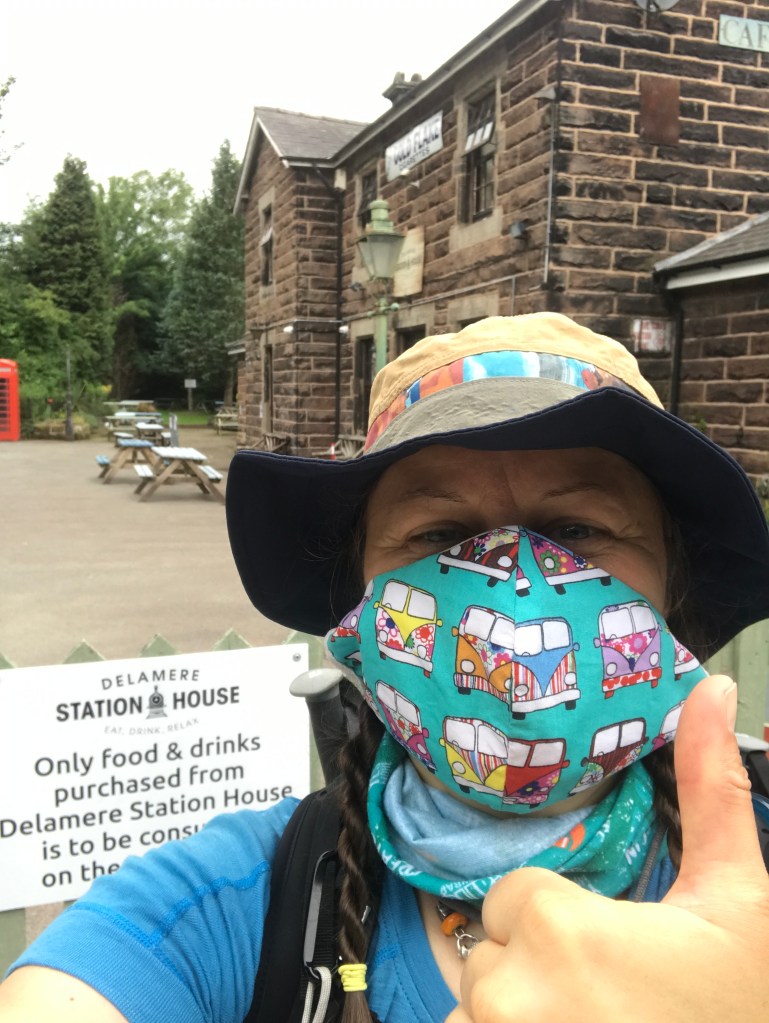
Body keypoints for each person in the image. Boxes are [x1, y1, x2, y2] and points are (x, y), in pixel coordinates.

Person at [2, 312, 769, 1023]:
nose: (510, 590)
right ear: (360, 614)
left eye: (575, 528)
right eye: (439, 535)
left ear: (670, 589)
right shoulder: (237, 899)